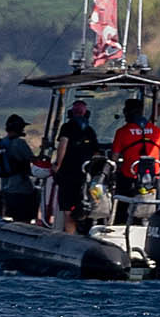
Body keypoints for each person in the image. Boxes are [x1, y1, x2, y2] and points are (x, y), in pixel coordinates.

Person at [112, 97, 160, 220]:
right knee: (150, 204)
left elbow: (114, 157)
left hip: (129, 175)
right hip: (151, 176)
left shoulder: (122, 132)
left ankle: (121, 223)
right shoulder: (157, 131)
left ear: (127, 112)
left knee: (122, 203)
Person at [54, 100, 102, 234]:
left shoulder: (67, 127)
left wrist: (57, 165)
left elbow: (62, 146)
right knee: (87, 205)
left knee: (68, 209)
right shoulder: (90, 130)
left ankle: (70, 237)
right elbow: (96, 152)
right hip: (86, 176)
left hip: (68, 175)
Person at [0, 114, 38, 223]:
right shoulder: (19, 143)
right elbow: (34, 160)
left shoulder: (0, 143)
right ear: (18, 128)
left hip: (6, 189)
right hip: (21, 189)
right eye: (22, 127)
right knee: (24, 220)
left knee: (12, 217)